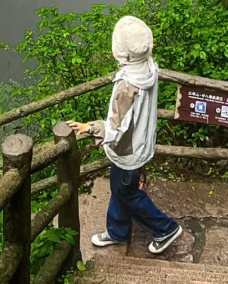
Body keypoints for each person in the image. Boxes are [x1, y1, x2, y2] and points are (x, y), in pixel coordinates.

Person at [68, 14, 183, 254]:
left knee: (128, 193)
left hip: (128, 151)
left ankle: (166, 229)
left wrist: (88, 128)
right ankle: (118, 231)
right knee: (119, 188)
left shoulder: (126, 88)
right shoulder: (148, 68)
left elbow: (116, 129)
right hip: (142, 143)